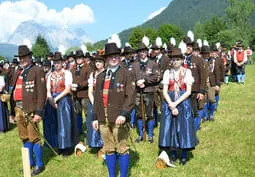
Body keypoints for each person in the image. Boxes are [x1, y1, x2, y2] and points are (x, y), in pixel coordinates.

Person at [92, 42, 135, 177]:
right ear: (106, 58)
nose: (113, 58)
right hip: (102, 116)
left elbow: (131, 96)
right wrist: (94, 117)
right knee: (109, 148)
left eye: (116, 55)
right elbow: (97, 98)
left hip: (119, 117)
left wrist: (124, 114)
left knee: (122, 148)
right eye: (110, 56)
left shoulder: (126, 74)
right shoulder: (100, 76)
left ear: (119, 57)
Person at [9, 45, 46, 175]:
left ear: (30, 57)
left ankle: (39, 164)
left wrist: (39, 112)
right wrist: (11, 113)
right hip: (18, 109)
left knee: (34, 137)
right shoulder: (17, 71)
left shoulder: (37, 70)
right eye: (20, 58)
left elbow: (42, 93)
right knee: (24, 137)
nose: (22, 60)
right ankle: (29, 162)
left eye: (24, 57)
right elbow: (11, 92)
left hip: (31, 110)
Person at [159, 48, 198, 165]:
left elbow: (188, 91)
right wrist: (171, 104)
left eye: (177, 59)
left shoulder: (187, 72)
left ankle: (184, 155)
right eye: (173, 59)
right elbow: (164, 91)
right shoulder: (167, 73)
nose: (175, 61)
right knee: (171, 128)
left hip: (183, 102)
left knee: (184, 127)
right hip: (169, 101)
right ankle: (173, 153)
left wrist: (176, 104)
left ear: (182, 60)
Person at [44, 52, 78, 156]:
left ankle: (66, 147)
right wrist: (51, 100)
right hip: (52, 99)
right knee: (54, 124)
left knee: (64, 124)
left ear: (62, 62)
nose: (56, 64)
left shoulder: (67, 73)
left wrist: (56, 99)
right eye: (55, 62)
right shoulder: (50, 75)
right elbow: (48, 90)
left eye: (58, 62)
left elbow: (67, 89)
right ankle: (57, 144)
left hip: (63, 99)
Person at [132, 41, 160, 144]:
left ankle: (150, 135)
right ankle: (140, 134)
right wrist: (136, 82)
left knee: (150, 114)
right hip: (138, 92)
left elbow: (157, 77)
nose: (142, 53)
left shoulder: (153, 64)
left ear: (147, 52)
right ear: (138, 53)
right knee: (139, 114)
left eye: (144, 51)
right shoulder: (134, 65)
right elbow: (131, 77)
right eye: (140, 51)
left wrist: (145, 81)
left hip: (149, 91)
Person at [183, 36, 206, 132]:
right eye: (186, 45)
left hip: (194, 90)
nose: (188, 47)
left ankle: (194, 130)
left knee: (194, 111)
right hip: (181, 90)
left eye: (190, 46)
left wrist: (201, 91)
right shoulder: (178, 60)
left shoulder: (198, 60)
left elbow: (203, 76)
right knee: (184, 111)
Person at [87, 54, 105, 156]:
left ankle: (104, 143)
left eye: (100, 62)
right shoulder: (92, 74)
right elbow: (89, 91)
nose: (98, 63)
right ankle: (95, 143)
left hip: (104, 98)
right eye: (96, 62)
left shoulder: (107, 73)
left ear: (104, 63)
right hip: (93, 99)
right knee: (93, 119)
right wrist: (94, 103)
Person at [71, 50, 90, 135]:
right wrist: (71, 86)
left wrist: (79, 85)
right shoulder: (73, 69)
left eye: (80, 58)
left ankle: (90, 130)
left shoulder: (88, 68)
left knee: (87, 113)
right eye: (77, 58)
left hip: (84, 94)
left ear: (83, 58)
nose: (78, 59)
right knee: (77, 113)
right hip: (75, 94)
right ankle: (79, 130)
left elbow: (89, 80)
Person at [0, 59, 10, 133]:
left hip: (1, 97)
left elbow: (1, 87)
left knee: (2, 112)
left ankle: (3, 127)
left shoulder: (1, 77)